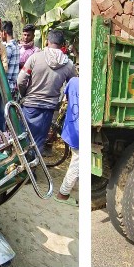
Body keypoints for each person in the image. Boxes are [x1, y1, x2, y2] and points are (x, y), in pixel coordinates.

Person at [17, 29, 76, 150]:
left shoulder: (35, 58)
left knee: (23, 139)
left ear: (47, 41)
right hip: (48, 109)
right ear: (62, 44)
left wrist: (24, 94)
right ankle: (32, 167)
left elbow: (20, 80)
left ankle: (22, 166)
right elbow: (74, 86)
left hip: (30, 105)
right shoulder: (69, 65)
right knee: (38, 142)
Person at [54, 77, 79, 207]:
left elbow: (67, 99)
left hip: (70, 128)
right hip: (79, 131)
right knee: (77, 163)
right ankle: (63, 194)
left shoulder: (73, 81)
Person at [2, 20, 20, 95]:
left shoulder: (8, 47)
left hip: (7, 86)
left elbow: (3, 67)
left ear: (3, 33)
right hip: (12, 85)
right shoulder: (16, 45)